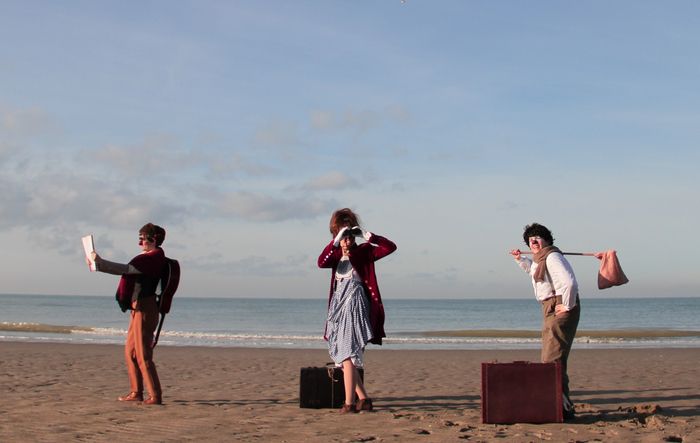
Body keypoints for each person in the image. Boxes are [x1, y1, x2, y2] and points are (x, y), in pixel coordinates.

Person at [317, 208, 396, 413]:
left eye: (349, 236)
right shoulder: (335, 256)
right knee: (344, 355)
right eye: (343, 237)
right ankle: (364, 400)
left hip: (356, 305)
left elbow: (390, 247)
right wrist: (335, 242)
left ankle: (349, 404)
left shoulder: (365, 251)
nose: (347, 241)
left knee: (348, 354)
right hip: (339, 306)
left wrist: (368, 236)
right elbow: (321, 262)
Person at [509, 222, 580, 420]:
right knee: (552, 359)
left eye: (537, 237)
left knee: (552, 361)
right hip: (549, 306)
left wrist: (566, 304)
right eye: (530, 240)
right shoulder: (541, 260)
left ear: (546, 239)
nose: (533, 241)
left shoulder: (553, 256)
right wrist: (520, 259)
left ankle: (562, 408)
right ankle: (561, 407)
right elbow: (534, 272)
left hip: (558, 305)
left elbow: (569, 282)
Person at [92, 223, 167, 405]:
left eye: (143, 238)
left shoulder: (154, 258)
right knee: (130, 352)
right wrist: (98, 264)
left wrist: (100, 263)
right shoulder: (146, 257)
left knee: (143, 354)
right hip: (137, 307)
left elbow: (126, 269)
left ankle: (155, 396)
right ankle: (136, 392)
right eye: (139, 238)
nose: (140, 241)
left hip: (146, 307)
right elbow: (128, 269)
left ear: (153, 239)